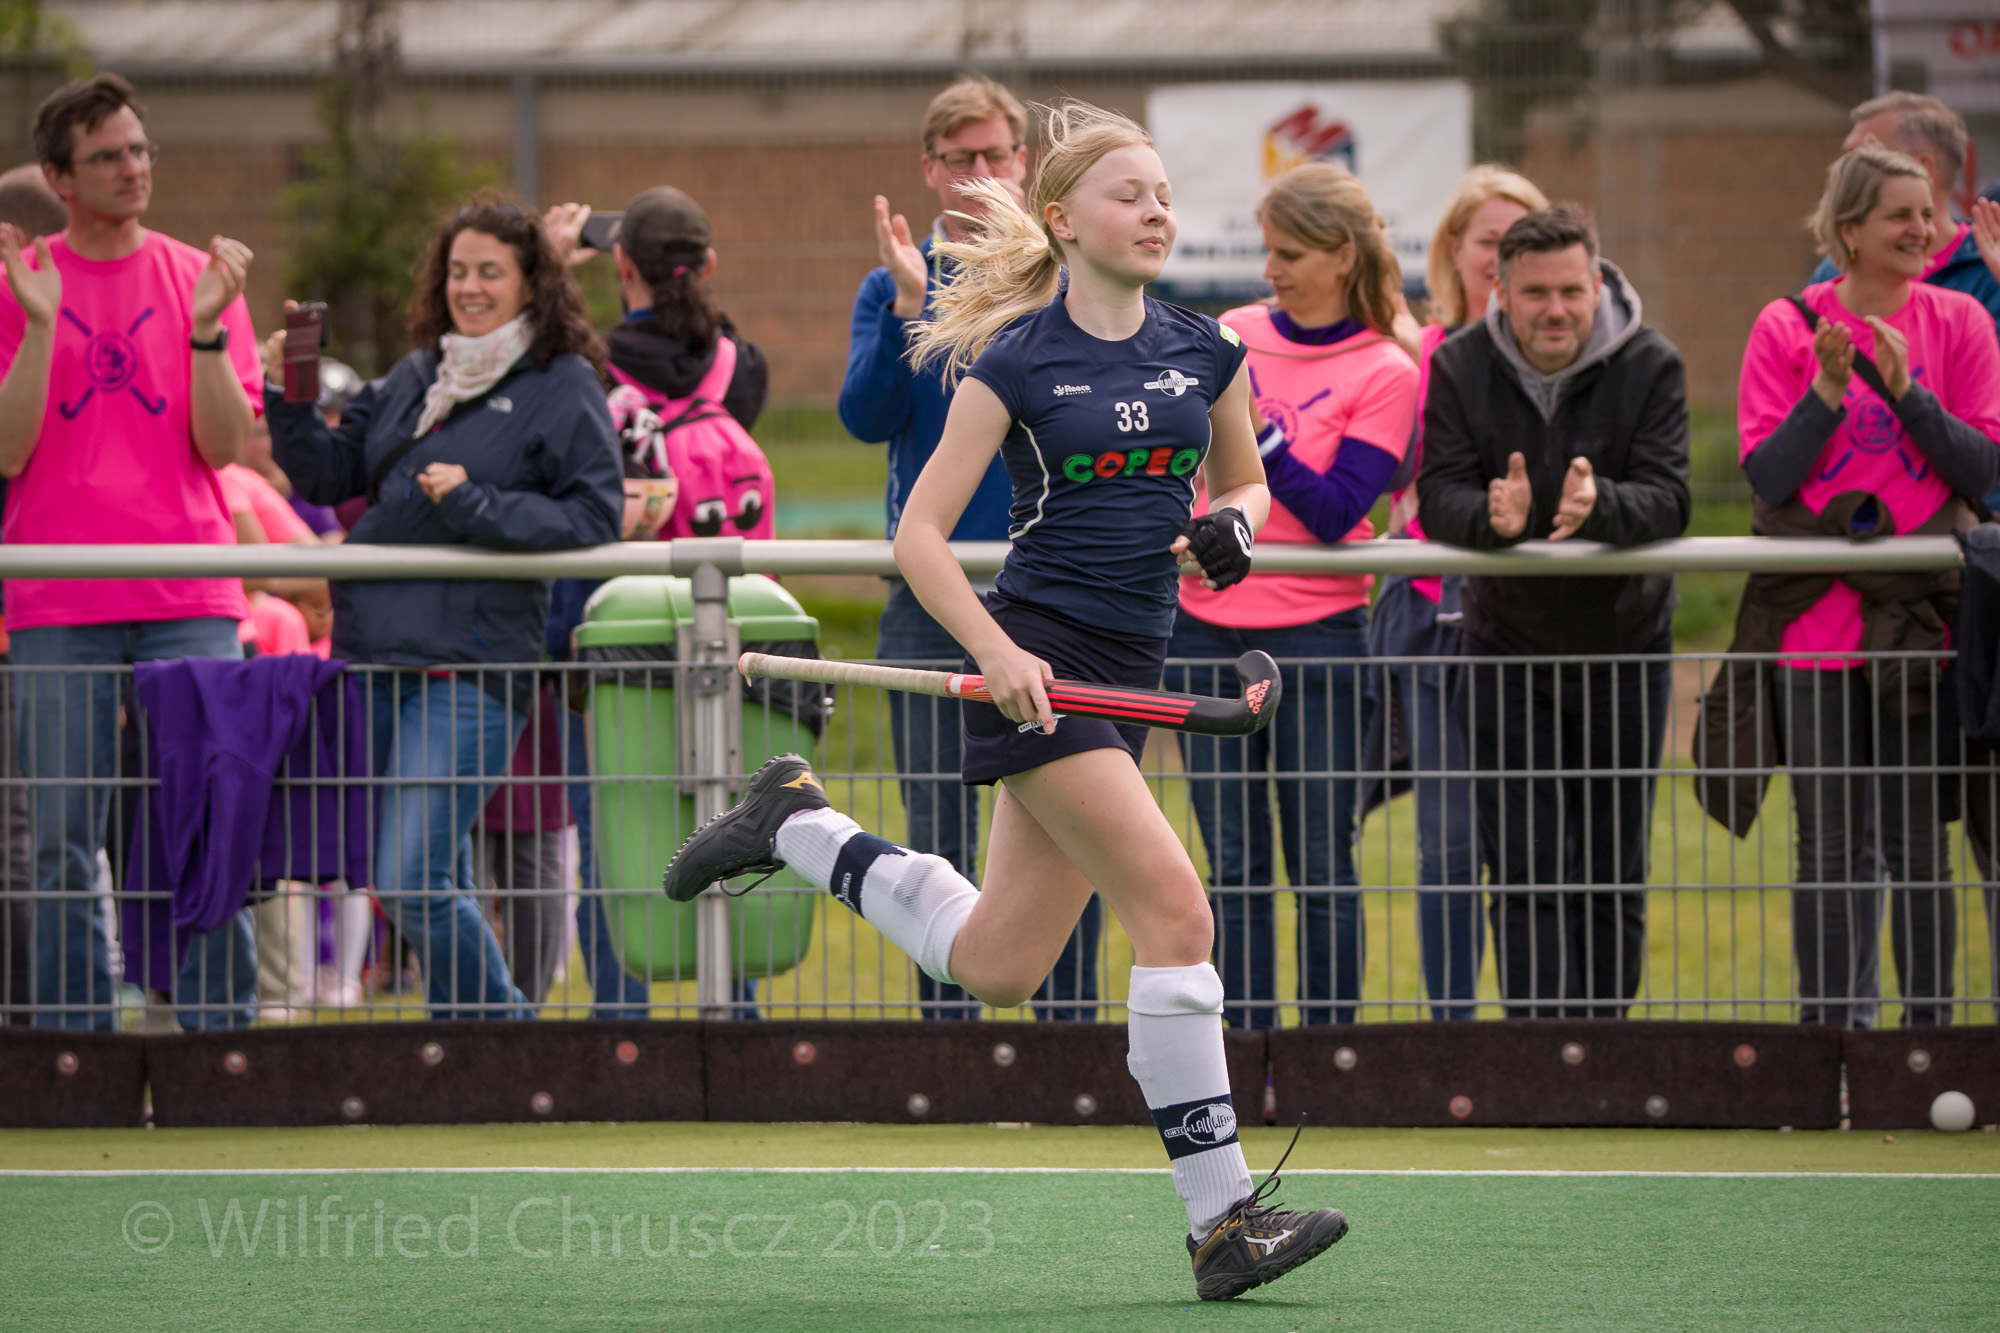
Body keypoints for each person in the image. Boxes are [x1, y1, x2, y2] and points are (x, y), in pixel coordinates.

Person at [662, 101, 1347, 1301]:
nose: (1156, 212)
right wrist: (995, 648)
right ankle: (1222, 1220)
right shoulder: (1017, 359)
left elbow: (1242, 483)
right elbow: (919, 535)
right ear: (1062, 218)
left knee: (998, 963)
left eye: (1162, 194)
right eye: (1128, 195)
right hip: (1035, 663)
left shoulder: (1205, 349)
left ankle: (797, 825)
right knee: (1175, 914)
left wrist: (1230, 530)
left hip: (1127, 672)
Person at [267, 198, 623, 1021]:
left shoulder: (563, 383)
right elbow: (328, 473)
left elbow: (594, 517)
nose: (469, 287)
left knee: (409, 879)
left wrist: (477, 505)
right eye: (458, 271)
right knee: (437, 873)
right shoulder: (415, 373)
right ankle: (469, 1046)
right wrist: (288, 393)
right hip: (375, 654)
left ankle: (506, 1030)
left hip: (473, 663)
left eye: (490, 272)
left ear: (531, 283)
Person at [0, 74, 262, 1029]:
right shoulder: (18, 283)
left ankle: (219, 1043)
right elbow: (8, 450)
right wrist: (38, 322)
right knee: (60, 843)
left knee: (205, 825)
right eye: (108, 156)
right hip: (57, 599)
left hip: (188, 592)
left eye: (140, 149)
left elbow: (224, 448)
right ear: (60, 178)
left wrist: (206, 330)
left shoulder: (202, 279)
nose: (133, 169)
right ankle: (79, 1053)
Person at [840, 76, 1101, 1021]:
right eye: (960, 158)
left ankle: (1066, 1040)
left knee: (1073, 826)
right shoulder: (896, 280)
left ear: (1024, 163)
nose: (980, 171)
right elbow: (866, 415)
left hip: (1055, 593)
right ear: (930, 169)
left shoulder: (1067, 275)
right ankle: (947, 1049)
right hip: (932, 595)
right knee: (937, 829)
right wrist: (912, 308)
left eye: (996, 153)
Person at [1733, 146, 2000, 1027]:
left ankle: (1922, 1045)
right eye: (1901, 215)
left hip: (1918, 626)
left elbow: (1982, 466)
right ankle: (1831, 1045)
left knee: (1919, 848)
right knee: (1828, 849)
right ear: (1849, 231)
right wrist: (1826, 390)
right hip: (1815, 628)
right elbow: (1769, 475)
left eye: (1929, 212)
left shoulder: (1961, 319)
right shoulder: (1785, 325)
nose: (1924, 229)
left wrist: (1906, 392)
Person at [1417, 204, 1691, 1019]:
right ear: (1501, 291)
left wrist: (1602, 506)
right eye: (1536, 292)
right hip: (1505, 648)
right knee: (1523, 868)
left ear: (1598, 283)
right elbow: (1439, 494)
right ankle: (1535, 1051)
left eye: (1572, 290)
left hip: (1625, 648)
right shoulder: (1459, 364)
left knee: (1614, 868)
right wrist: (1489, 518)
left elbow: (1671, 498)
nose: (1557, 309)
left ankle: (1602, 1047)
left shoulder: (1653, 363)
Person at [1164, 164, 1416, 1028]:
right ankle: (1243, 1046)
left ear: (1342, 255)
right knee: (1231, 866)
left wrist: (1259, 436)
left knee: (1322, 864)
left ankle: (1324, 1057)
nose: (1271, 270)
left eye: (1291, 254)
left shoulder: (1386, 368)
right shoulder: (1231, 333)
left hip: (1320, 639)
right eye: (1268, 251)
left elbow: (1342, 511)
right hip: (1206, 633)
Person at [544, 184, 774, 1017]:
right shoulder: (740, 366)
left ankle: (622, 1029)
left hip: (613, 636)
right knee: (734, 829)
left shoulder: (585, 370)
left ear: (621, 265)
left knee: (614, 839)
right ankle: (736, 1017)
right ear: (708, 265)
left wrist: (551, 272)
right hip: (729, 632)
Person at [1365, 166, 1549, 1021]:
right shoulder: (1421, 352)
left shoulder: (1566, 355)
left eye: (1522, 240)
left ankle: (1537, 1031)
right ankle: (1452, 1030)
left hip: (1535, 624)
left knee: (1533, 841)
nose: (1504, 258)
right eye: (1490, 241)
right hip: (1437, 621)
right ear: (1456, 250)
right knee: (1446, 842)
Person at [0, 161, 62, 1024]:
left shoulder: (39, 330)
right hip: (36, 624)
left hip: (32, 627)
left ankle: (28, 1033)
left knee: (26, 841)